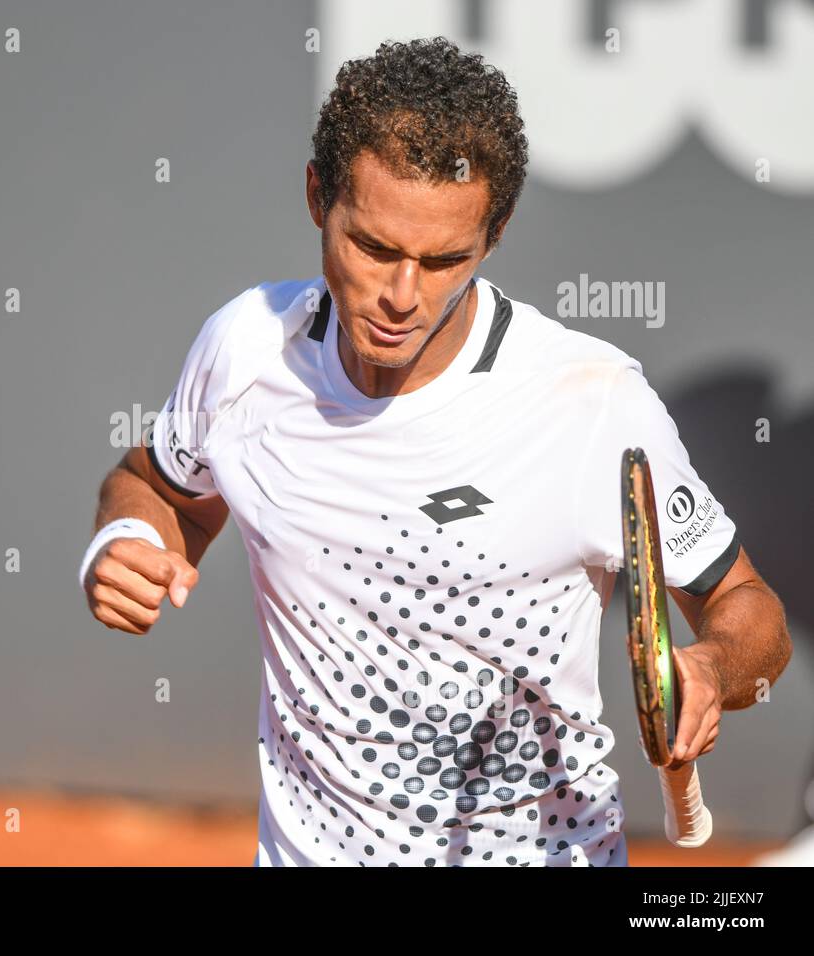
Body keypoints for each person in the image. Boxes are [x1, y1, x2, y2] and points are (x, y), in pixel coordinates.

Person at [78, 37, 791, 866]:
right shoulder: (244, 351)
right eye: (373, 248)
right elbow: (159, 489)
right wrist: (126, 541)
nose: (401, 297)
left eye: (444, 259)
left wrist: (707, 670)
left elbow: (749, 608)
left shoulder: (592, 402)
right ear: (318, 197)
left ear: (494, 236)